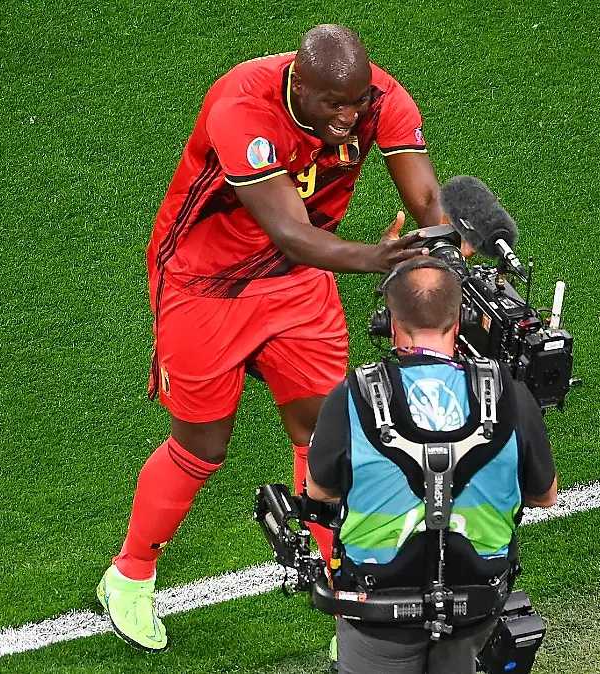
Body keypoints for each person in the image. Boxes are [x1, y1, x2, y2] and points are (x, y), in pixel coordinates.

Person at [96, 24, 446, 652]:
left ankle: (351, 601)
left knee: (325, 433)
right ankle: (130, 574)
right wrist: (379, 258)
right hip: (207, 285)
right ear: (298, 85)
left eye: (357, 102)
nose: (347, 118)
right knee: (202, 444)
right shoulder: (241, 108)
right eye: (331, 105)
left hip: (299, 284)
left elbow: (424, 196)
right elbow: (288, 230)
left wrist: (444, 250)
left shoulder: (381, 100)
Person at [306, 257, 559, 674]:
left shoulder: (350, 397)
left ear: (390, 322)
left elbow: (321, 492)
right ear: (459, 321)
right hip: (476, 606)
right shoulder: (512, 396)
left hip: (376, 611)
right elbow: (544, 496)